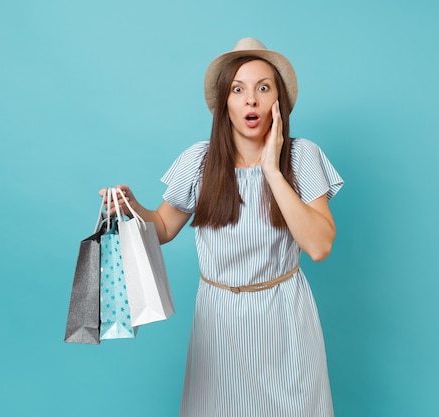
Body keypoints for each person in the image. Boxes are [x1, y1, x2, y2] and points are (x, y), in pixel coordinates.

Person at [102, 37, 344, 417]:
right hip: (219, 323)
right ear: (224, 103)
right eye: (238, 89)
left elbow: (319, 246)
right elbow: (163, 227)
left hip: (285, 320)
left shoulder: (302, 156)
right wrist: (132, 209)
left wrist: (271, 171)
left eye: (263, 88)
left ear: (278, 102)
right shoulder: (199, 161)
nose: (251, 100)